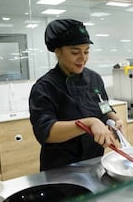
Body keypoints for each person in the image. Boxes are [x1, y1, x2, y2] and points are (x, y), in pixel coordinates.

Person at [29, 19, 124, 171]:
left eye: (86, 51)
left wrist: (114, 118)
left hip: (95, 161)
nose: (83, 58)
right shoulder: (45, 87)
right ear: (58, 51)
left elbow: (103, 105)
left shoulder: (94, 78)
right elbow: (46, 132)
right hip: (61, 168)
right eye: (75, 52)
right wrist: (89, 123)